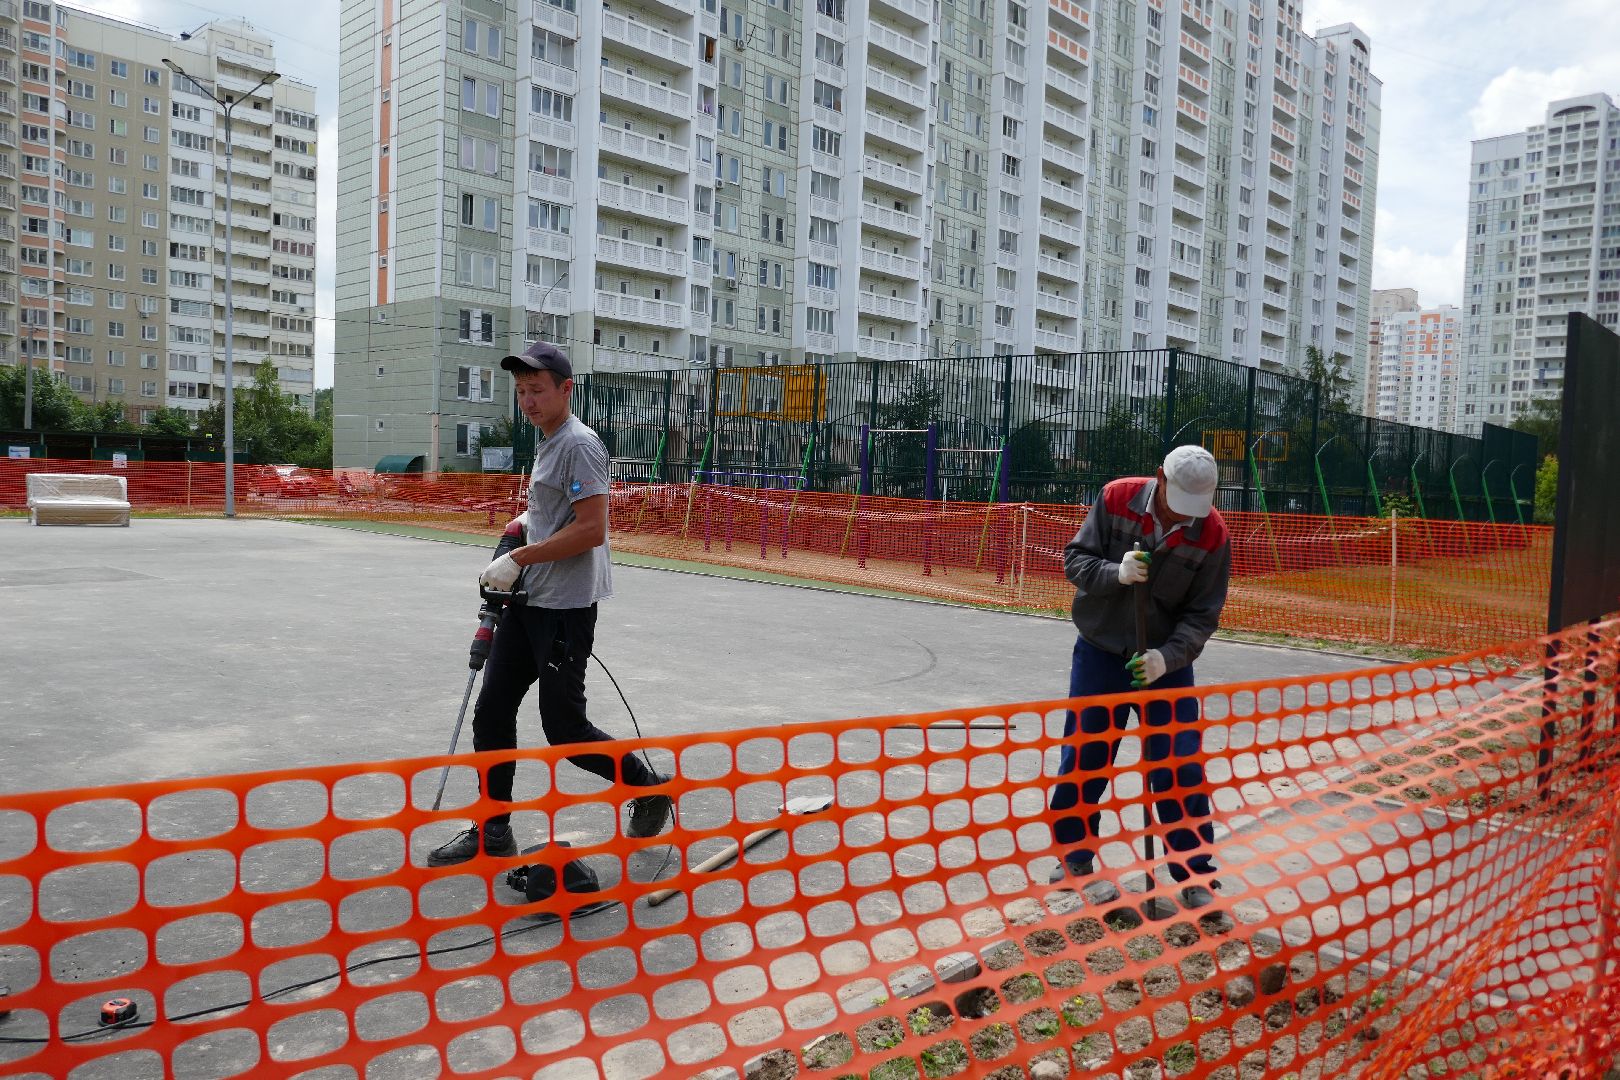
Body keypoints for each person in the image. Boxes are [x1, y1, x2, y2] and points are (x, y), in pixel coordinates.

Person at [428, 342, 672, 866]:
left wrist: (521, 558)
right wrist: (522, 527)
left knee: (564, 729)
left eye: (537, 390)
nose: (528, 401)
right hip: (528, 599)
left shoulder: (580, 444)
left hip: (563, 607)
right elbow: (556, 513)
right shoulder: (548, 441)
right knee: (492, 710)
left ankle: (648, 787)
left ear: (566, 389)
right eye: (520, 392)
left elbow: (590, 529)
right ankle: (494, 830)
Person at [1049, 444, 1231, 898]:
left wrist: (1166, 659)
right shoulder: (1116, 499)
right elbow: (1075, 560)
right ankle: (1073, 859)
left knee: (1178, 764)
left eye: (1194, 507)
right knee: (1085, 756)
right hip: (1101, 652)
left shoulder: (1211, 533)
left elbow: (1203, 615)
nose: (1182, 515)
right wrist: (1116, 573)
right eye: (1176, 501)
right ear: (1160, 478)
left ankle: (1194, 873)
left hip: (1164, 664)